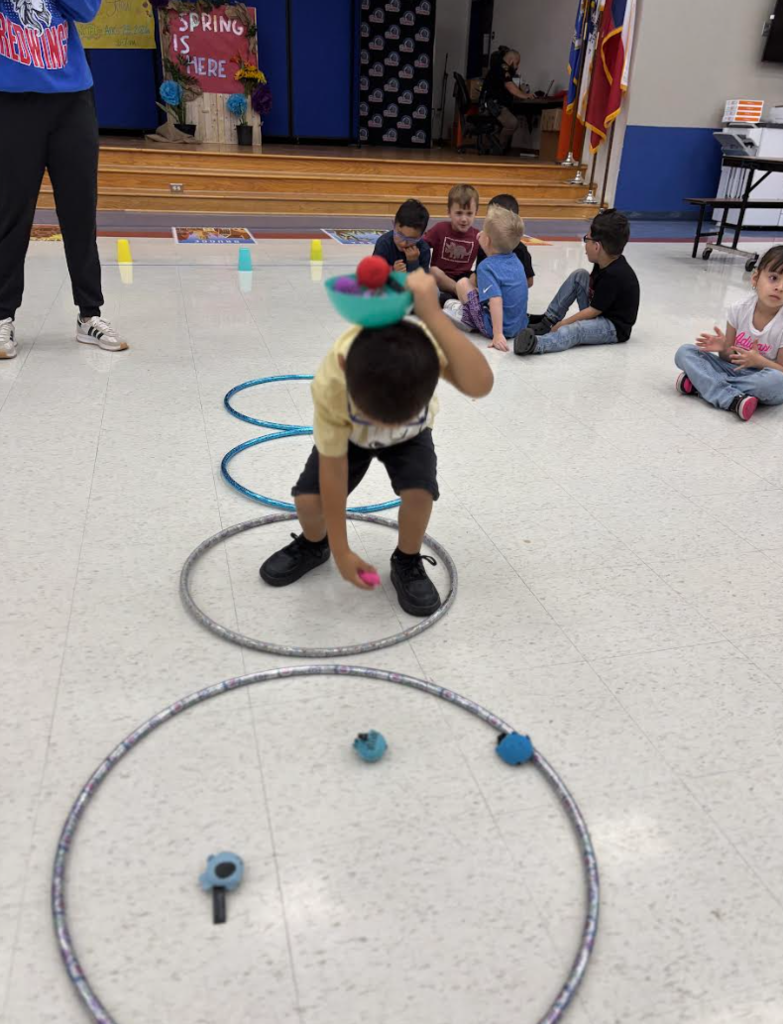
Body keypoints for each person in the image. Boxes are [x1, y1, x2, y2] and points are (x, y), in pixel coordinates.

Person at [259, 270, 493, 616]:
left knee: (421, 492)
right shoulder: (332, 383)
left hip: (411, 438)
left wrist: (432, 313)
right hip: (351, 438)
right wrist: (340, 549)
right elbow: (333, 470)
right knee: (309, 501)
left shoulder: (423, 346)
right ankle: (314, 544)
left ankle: (407, 559)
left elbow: (481, 384)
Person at [0, 0, 128, 360]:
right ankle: (2, 315)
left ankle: (90, 314)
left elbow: (87, 10)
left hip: (72, 101)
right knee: (11, 212)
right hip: (10, 102)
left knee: (80, 211)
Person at [674, 245, 783, 422]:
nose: (780, 287)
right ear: (755, 278)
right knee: (685, 352)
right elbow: (727, 358)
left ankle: (702, 384)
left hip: (762, 376)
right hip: (733, 370)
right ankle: (732, 398)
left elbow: (781, 371)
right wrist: (724, 347)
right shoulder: (738, 310)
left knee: (778, 382)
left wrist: (759, 361)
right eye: (773, 278)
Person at [514, 209, 639, 356]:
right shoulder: (603, 261)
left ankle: (538, 345)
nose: (585, 242)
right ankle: (547, 321)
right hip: (599, 310)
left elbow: (593, 310)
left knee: (575, 329)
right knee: (579, 275)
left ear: (597, 247)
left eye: (587, 239)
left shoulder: (615, 275)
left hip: (612, 327)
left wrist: (564, 323)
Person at [442, 205, 528, 352]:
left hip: (495, 327)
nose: (479, 234)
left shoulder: (486, 267)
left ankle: (467, 316)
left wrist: (498, 334)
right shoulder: (516, 260)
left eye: (483, 232)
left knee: (463, 283)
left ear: (487, 241)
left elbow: (496, 299)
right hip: (519, 325)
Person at [423, 184, 480, 299]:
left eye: (469, 213)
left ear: (476, 213)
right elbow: (421, 245)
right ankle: (462, 293)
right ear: (449, 212)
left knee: (477, 275)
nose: (464, 219)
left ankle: (463, 294)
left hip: (464, 278)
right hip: (442, 278)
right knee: (433, 271)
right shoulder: (440, 229)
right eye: (459, 213)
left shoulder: (478, 236)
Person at [472, 193, 534, 290]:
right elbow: (477, 278)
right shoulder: (483, 246)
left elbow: (529, 281)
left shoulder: (520, 250)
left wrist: (508, 286)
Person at [481, 47, 533, 153]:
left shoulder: (499, 67)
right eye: (517, 63)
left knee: (508, 120)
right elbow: (509, 86)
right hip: (493, 105)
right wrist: (525, 95)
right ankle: (498, 146)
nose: (517, 67)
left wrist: (521, 90)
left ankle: (494, 144)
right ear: (511, 61)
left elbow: (509, 85)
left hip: (496, 104)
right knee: (512, 123)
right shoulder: (502, 68)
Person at [372, 199, 432, 274]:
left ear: (421, 236)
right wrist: (392, 271)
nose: (403, 243)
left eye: (411, 239)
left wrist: (413, 262)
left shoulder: (423, 249)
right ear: (394, 225)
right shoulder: (384, 243)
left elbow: (422, 282)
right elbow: (373, 273)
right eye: (400, 235)